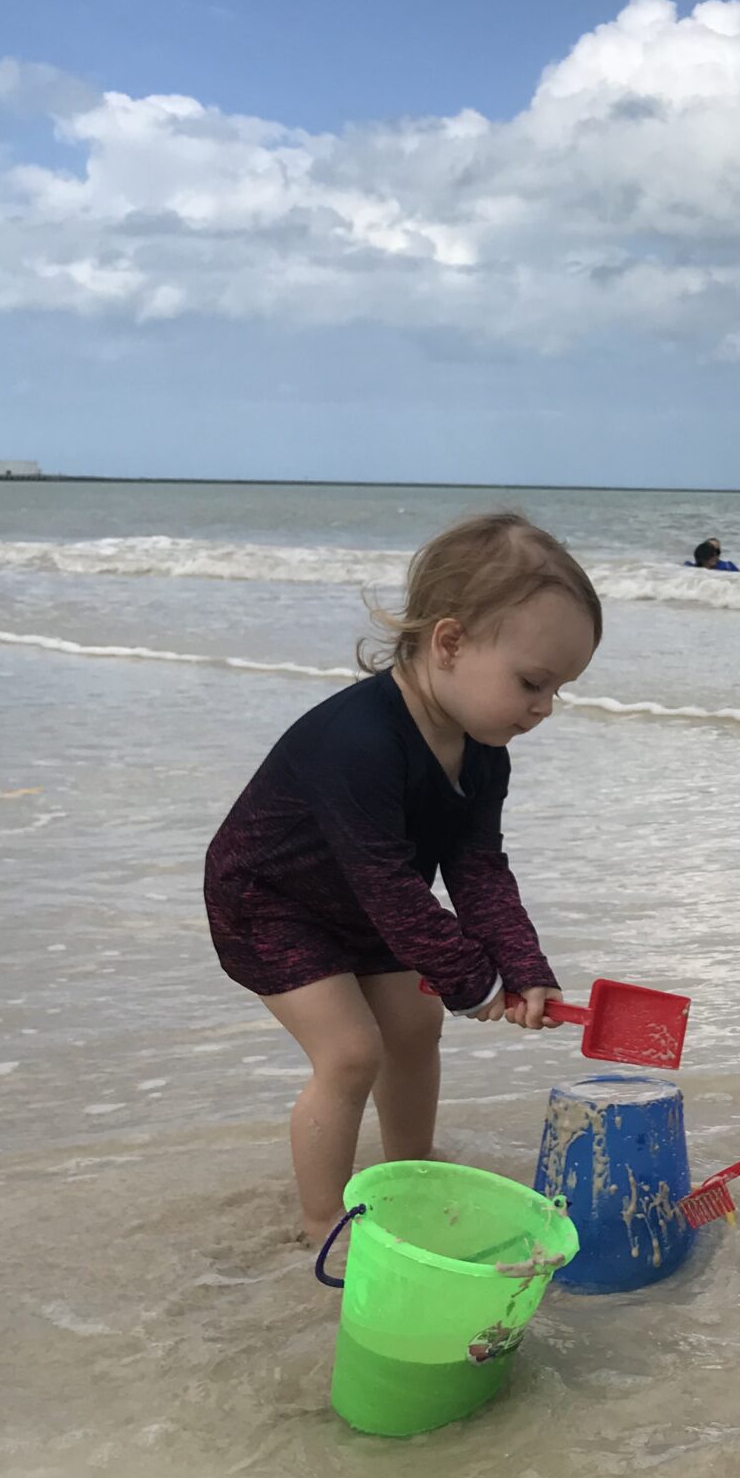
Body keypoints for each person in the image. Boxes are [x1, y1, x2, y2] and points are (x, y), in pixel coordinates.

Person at [205, 512, 602, 1247]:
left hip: (365, 905)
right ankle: (326, 1222)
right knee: (352, 1051)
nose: (544, 708)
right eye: (532, 683)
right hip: (270, 902)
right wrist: (469, 978)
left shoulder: (484, 753)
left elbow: (478, 869)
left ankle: (410, 1175)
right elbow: (389, 883)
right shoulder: (357, 742)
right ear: (449, 643)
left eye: (559, 690)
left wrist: (521, 967)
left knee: (415, 1027)